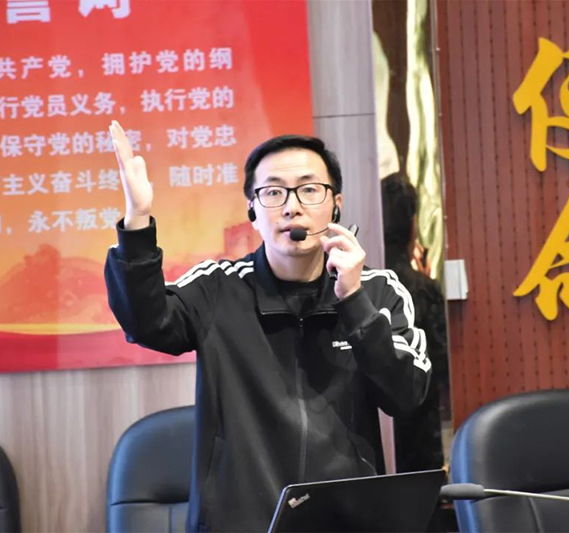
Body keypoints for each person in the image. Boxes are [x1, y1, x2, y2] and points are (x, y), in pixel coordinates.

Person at [104, 121, 432, 532]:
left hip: (347, 521)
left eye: (309, 189)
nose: (292, 206)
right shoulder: (218, 288)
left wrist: (353, 301)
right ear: (253, 213)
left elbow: (406, 396)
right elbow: (146, 322)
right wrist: (137, 221)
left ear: (336, 205)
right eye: (273, 192)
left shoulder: (377, 291)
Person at [380, 173, 449, 473]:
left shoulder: (359, 286)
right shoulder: (421, 289)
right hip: (420, 439)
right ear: (412, 225)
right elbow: (443, 367)